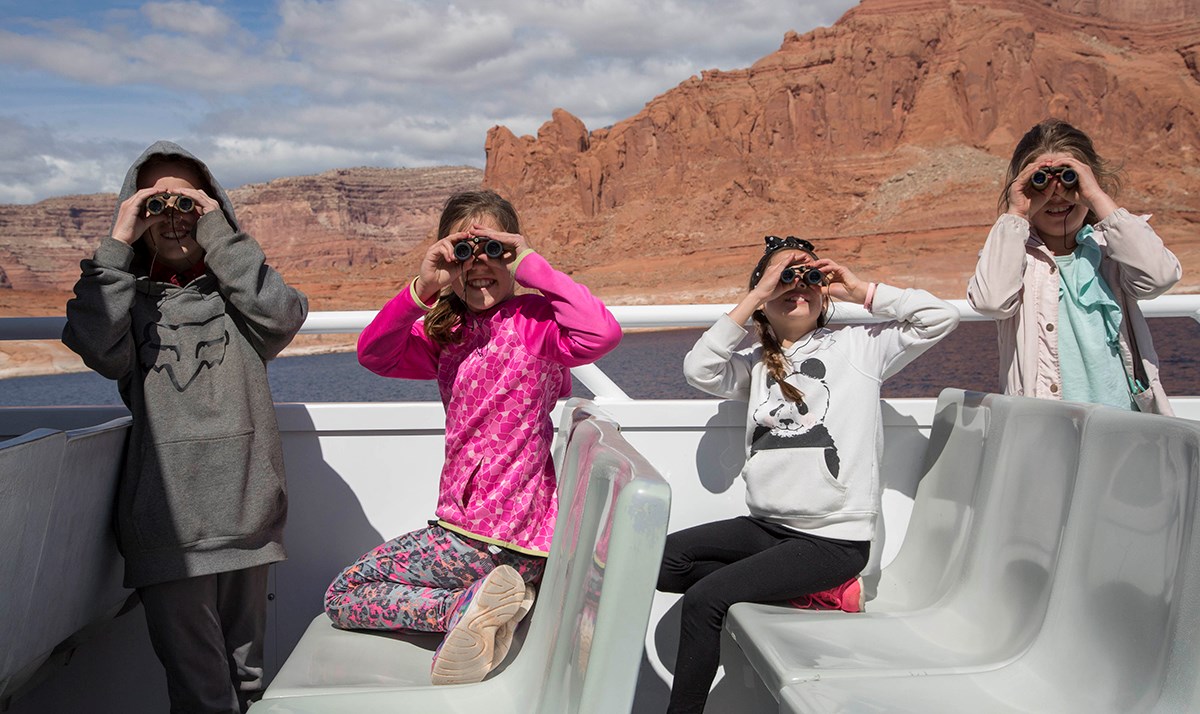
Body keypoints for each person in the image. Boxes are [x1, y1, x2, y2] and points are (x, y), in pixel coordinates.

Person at [324, 189, 622, 685]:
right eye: (463, 252)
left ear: (514, 255)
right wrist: (423, 286)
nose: (478, 263)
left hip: (487, 540)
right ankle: (491, 602)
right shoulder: (450, 333)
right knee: (354, 589)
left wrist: (532, 266)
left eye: (493, 250)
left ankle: (457, 610)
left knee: (343, 593)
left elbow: (601, 335)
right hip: (502, 543)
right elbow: (374, 353)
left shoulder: (535, 323)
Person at [658, 235, 959, 714]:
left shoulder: (861, 349)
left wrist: (859, 290)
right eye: (783, 280)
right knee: (661, 562)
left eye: (807, 278)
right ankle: (815, 594)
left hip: (832, 541)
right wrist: (757, 293)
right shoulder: (756, 366)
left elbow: (941, 317)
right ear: (762, 301)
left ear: (823, 295)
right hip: (767, 529)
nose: (796, 288)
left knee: (706, 599)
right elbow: (699, 368)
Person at [62, 141, 308, 713]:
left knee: (250, 683)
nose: (172, 218)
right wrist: (118, 242)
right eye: (154, 204)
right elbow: (96, 343)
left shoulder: (243, 307)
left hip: (246, 517)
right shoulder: (127, 309)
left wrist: (218, 231)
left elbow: (284, 313)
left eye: (188, 204)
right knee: (200, 691)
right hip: (167, 529)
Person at [968, 119, 1181, 414]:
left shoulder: (1112, 253)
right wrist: (1016, 212)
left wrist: (1095, 197)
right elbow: (991, 301)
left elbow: (1159, 277)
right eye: (1039, 183)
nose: (1056, 197)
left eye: (1069, 180)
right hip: (1046, 427)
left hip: (1123, 425)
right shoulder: (1013, 258)